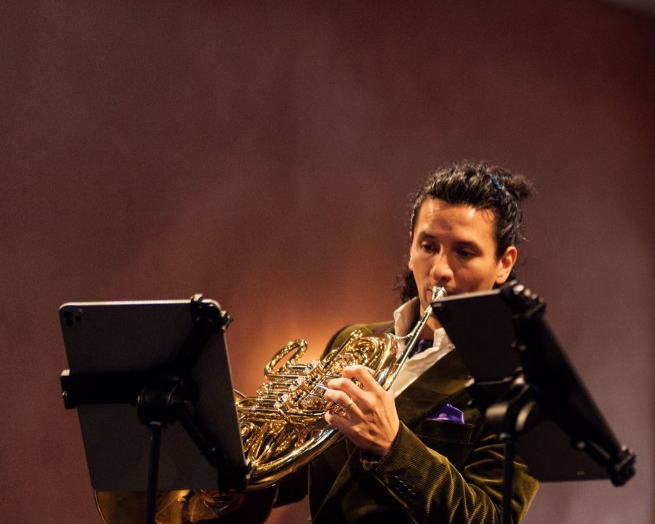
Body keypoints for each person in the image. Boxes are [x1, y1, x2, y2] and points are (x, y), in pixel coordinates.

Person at [175, 162, 541, 523]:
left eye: (464, 252)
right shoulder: (354, 339)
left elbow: (492, 518)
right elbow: (298, 473)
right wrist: (232, 465)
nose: (441, 269)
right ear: (411, 249)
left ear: (504, 264)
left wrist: (394, 446)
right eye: (428, 246)